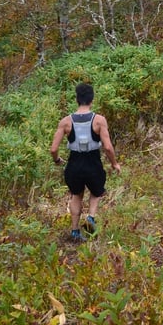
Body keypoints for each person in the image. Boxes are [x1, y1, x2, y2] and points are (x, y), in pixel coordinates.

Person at [50, 82, 121, 241]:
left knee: (76, 195)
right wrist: (114, 163)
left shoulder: (65, 122)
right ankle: (91, 217)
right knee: (97, 192)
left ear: (77, 99)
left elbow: (53, 149)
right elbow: (108, 147)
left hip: (74, 163)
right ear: (92, 100)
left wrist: (57, 160)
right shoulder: (99, 120)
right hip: (93, 162)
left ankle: (75, 231)